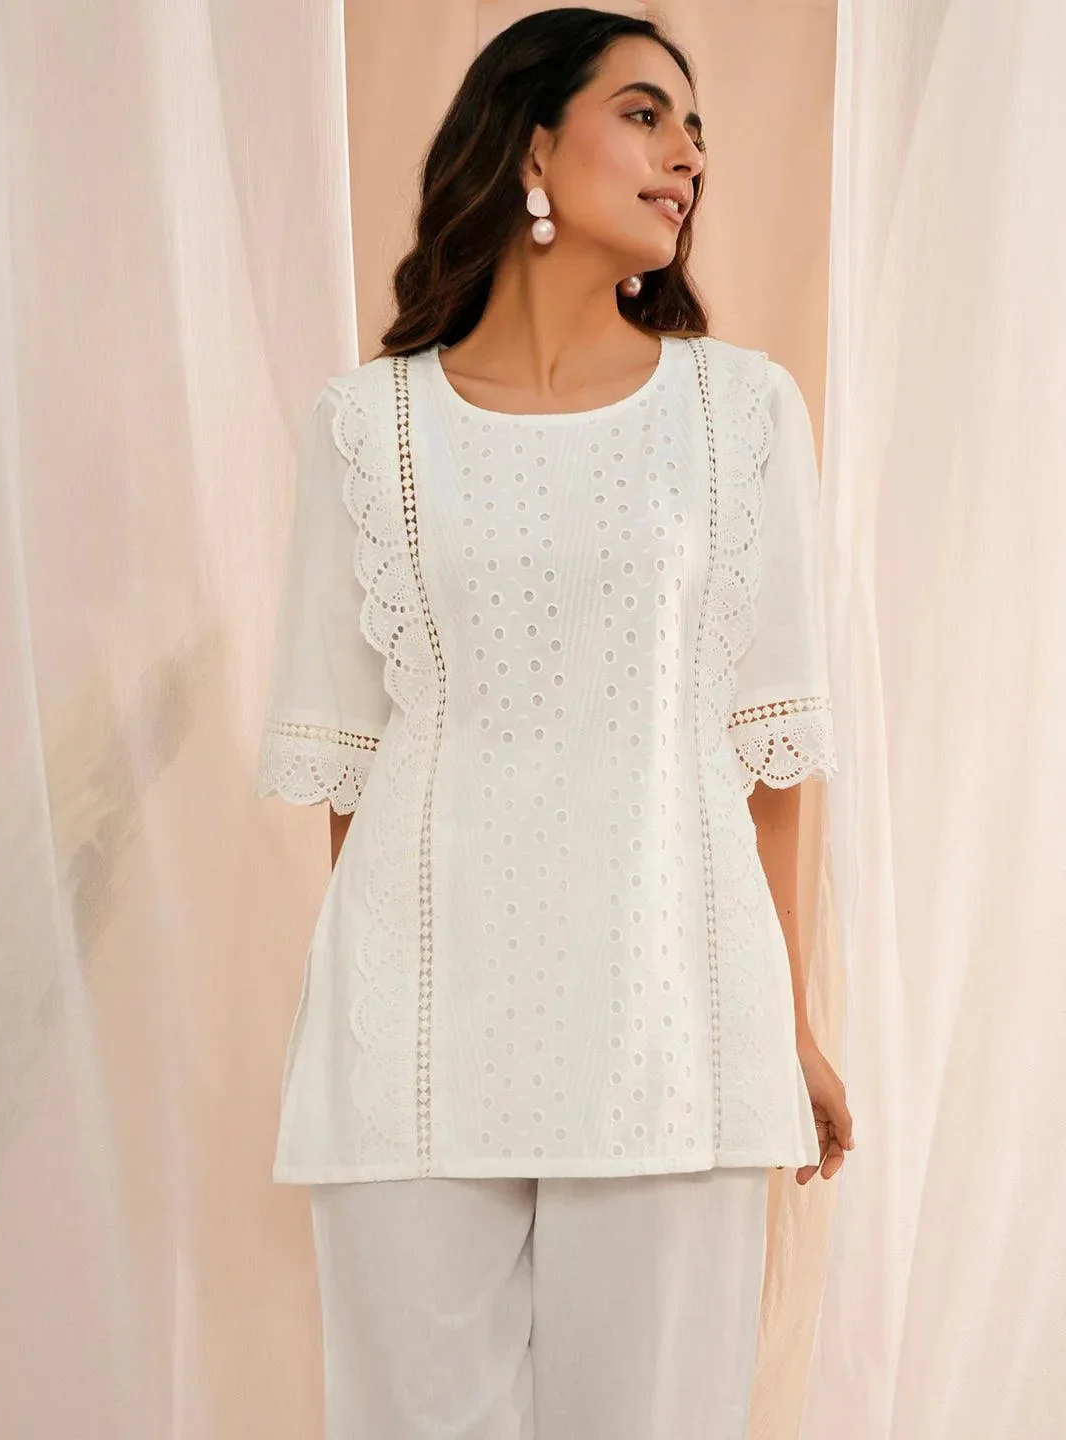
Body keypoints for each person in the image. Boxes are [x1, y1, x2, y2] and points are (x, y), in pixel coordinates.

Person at [255, 8, 855, 1437]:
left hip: (674, 1024)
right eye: (645, 114)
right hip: (414, 1041)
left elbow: (774, 754)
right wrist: (381, 1016)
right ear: (531, 145)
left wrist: (789, 1024)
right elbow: (350, 768)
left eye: (696, 129)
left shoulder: (739, 413)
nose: (687, 155)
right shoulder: (369, 430)